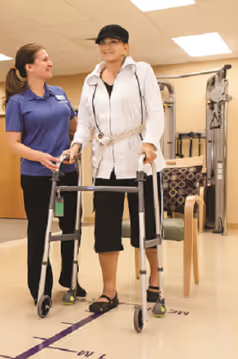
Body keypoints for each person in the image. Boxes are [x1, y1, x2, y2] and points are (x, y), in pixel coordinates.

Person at [63, 24, 166, 313]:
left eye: (113, 42)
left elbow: (156, 111)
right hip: (105, 164)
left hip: (140, 162)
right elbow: (84, 122)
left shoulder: (141, 71)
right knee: (105, 229)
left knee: (146, 227)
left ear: (125, 47)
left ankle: (155, 281)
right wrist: (76, 146)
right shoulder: (91, 80)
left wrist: (150, 143)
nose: (107, 47)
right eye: (102, 43)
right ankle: (109, 292)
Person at [4, 44, 87, 305]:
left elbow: (76, 127)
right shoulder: (18, 102)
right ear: (29, 67)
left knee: (71, 226)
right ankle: (41, 286)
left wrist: (76, 146)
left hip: (67, 174)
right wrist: (39, 156)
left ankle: (69, 278)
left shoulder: (60, 94)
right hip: (37, 177)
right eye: (44, 59)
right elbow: (13, 143)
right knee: (40, 230)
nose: (50, 63)